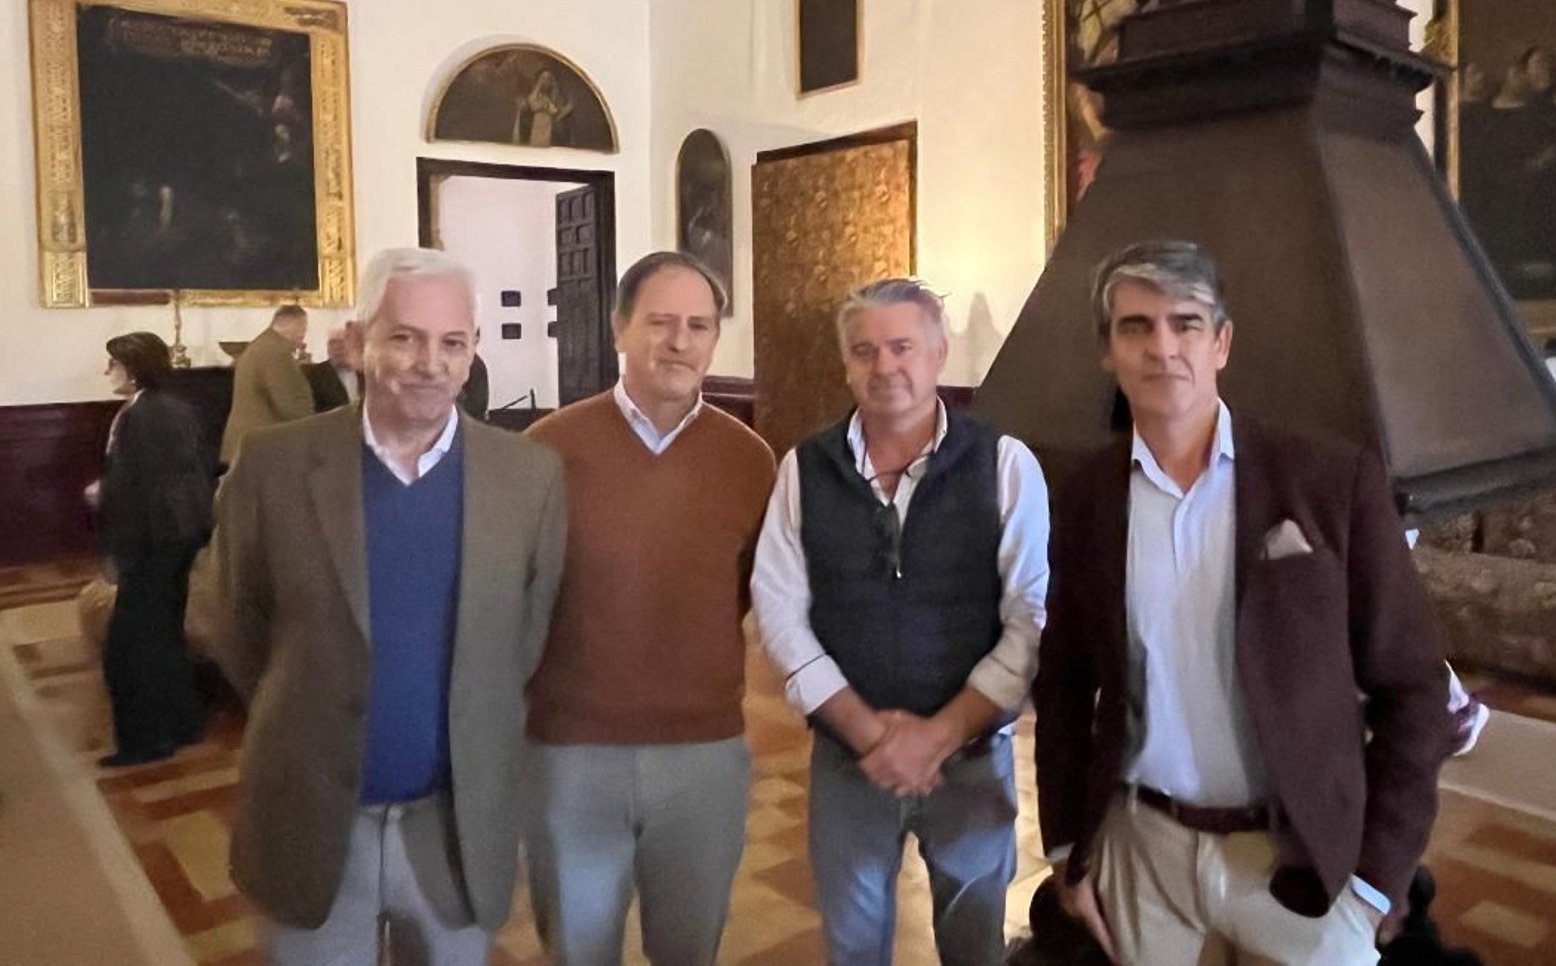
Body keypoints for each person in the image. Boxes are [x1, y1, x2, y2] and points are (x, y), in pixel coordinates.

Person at [1033, 240, 1453, 966]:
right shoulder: (1086, 497)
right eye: (1136, 326)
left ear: (1221, 343)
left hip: (1302, 865)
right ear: (1108, 350)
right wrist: (1070, 850)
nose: (1162, 346)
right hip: (1145, 853)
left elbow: (1414, 687)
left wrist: (1377, 883)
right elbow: (1066, 681)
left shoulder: (1329, 481)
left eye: (1186, 323)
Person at [205, 247, 567, 963]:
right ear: (360, 340)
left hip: (455, 826)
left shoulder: (530, 476)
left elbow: (522, 640)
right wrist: (308, 700)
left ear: (471, 354)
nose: (429, 361)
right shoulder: (272, 465)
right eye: (405, 336)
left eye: (451, 342)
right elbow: (233, 625)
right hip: (312, 822)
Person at [752, 277, 1049, 966]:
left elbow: (1028, 617)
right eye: (865, 351)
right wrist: (867, 733)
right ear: (846, 364)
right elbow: (779, 610)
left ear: (939, 353)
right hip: (848, 762)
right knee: (853, 947)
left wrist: (940, 735)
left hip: (973, 762)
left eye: (902, 346)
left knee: (974, 944)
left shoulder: (1003, 465)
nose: (885, 366)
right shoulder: (806, 469)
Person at [522, 250, 775, 966]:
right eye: (661, 322)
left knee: (689, 950)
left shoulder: (750, 459)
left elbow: (758, 595)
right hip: (570, 754)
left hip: (704, 757)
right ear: (618, 331)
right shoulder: (546, 451)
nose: (680, 341)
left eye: (699, 325)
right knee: (578, 950)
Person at [92, 332, 213, 767]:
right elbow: (185, 475)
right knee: (164, 635)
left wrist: (116, 554)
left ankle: (145, 740)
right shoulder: (178, 408)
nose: (108, 372)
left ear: (133, 367)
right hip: (179, 536)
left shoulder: (139, 415)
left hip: (151, 540)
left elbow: (135, 490)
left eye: (113, 364)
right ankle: (182, 723)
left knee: (129, 647)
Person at [220, 303, 314, 466]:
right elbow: (288, 404)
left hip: (247, 444)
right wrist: (316, 425)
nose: (302, 338)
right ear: (295, 327)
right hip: (262, 449)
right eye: (302, 331)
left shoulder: (261, 345)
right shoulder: (276, 352)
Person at [304, 322, 361, 412]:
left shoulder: (367, 371)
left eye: (341, 342)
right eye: (332, 343)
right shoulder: (314, 374)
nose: (337, 347)